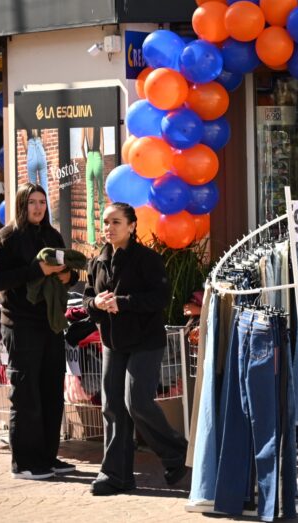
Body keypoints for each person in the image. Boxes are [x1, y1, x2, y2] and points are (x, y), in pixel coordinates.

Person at [83, 202, 189, 496]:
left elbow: (160, 298)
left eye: (116, 222)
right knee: (113, 408)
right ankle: (115, 475)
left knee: (137, 402)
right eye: (106, 222)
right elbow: (87, 299)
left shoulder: (147, 259)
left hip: (145, 342)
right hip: (112, 343)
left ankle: (179, 455)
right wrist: (97, 304)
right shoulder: (98, 261)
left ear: (131, 226)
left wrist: (124, 303)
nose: (109, 228)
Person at [0, 182, 77, 480]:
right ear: (21, 206)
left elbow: (69, 271)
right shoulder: (7, 237)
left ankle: (48, 458)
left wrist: (67, 275)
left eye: (42, 202)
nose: (38, 208)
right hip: (20, 324)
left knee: (51, 390)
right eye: (32, 203)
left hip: (50, 323)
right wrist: (38, 271)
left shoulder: (52, 235)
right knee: (26, 394)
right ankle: (24, 463)